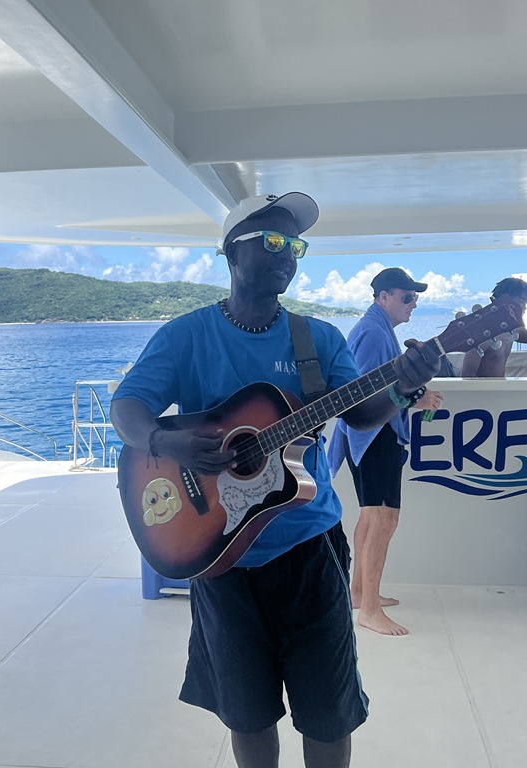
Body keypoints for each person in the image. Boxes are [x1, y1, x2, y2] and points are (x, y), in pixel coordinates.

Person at [110, 194, 440, 768]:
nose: (287, 253)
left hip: (310, 548)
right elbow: (128, 407)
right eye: (271, 241)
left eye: (295, 245)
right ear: (230, 253)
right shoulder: (186, 336)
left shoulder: (318, 340)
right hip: (219, 555)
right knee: (247, 714)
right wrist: (166, 441)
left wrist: (403, 386)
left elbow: (361, 415)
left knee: (329, 713)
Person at [328, 268, 443, 637]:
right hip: (376, 437)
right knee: (384, 519)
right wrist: (417, 398)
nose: (413, 304)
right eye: (407, 297)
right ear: (383, 297)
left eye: (416, 298)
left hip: (368, 437)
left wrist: (411, 395)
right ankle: (370, 611)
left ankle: (360, 594)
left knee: (371, 516)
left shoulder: (375, 329)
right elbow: (362, 395)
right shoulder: (375, 333)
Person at [461, 277, 527, 377]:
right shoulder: (482, 332)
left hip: (500, 386)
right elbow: (467, 374)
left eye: (525, 302)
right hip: (482, 387)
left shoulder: (512, 329)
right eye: (521, 301)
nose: (524, 307)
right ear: (499, 301)